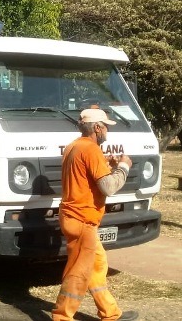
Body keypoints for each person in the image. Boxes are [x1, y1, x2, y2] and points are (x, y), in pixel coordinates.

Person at [51, 108, 139, 321]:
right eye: (106, 126)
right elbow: (108, 187)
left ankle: (110, 313)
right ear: (97, 128)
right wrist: (124, 167)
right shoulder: (90, 150)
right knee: (78, 272)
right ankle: (62, 316)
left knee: (97, 266)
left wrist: (106, 164)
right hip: (82, 220)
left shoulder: (74, 146)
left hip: (75, 217)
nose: (107, 130)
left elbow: (84, 176)